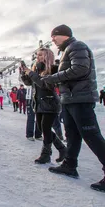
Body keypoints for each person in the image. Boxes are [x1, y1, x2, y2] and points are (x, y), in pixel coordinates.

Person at [42, 24, 105, 192]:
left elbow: (80, 69)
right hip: (71, 99)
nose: (53, 39)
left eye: (54, 36)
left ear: (64, 35)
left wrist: (54, 77)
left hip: (81, 99)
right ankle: (69, 165)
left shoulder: (77, 46)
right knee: (72, 134)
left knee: (91, 135)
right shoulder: (67, 50)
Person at [21, 48, 66, 164]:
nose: (38, 57)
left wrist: (30, 73)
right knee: (42, 128)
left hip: (50, 102)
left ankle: (46, 154)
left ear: (47, 55)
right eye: (37, 55)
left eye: (40, 55)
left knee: (45, 127)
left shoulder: (54, 68)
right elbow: (30, 83)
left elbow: (45, 84)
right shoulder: (36, 67)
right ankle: (62, 148)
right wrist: (24, 74)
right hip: (39, 102)